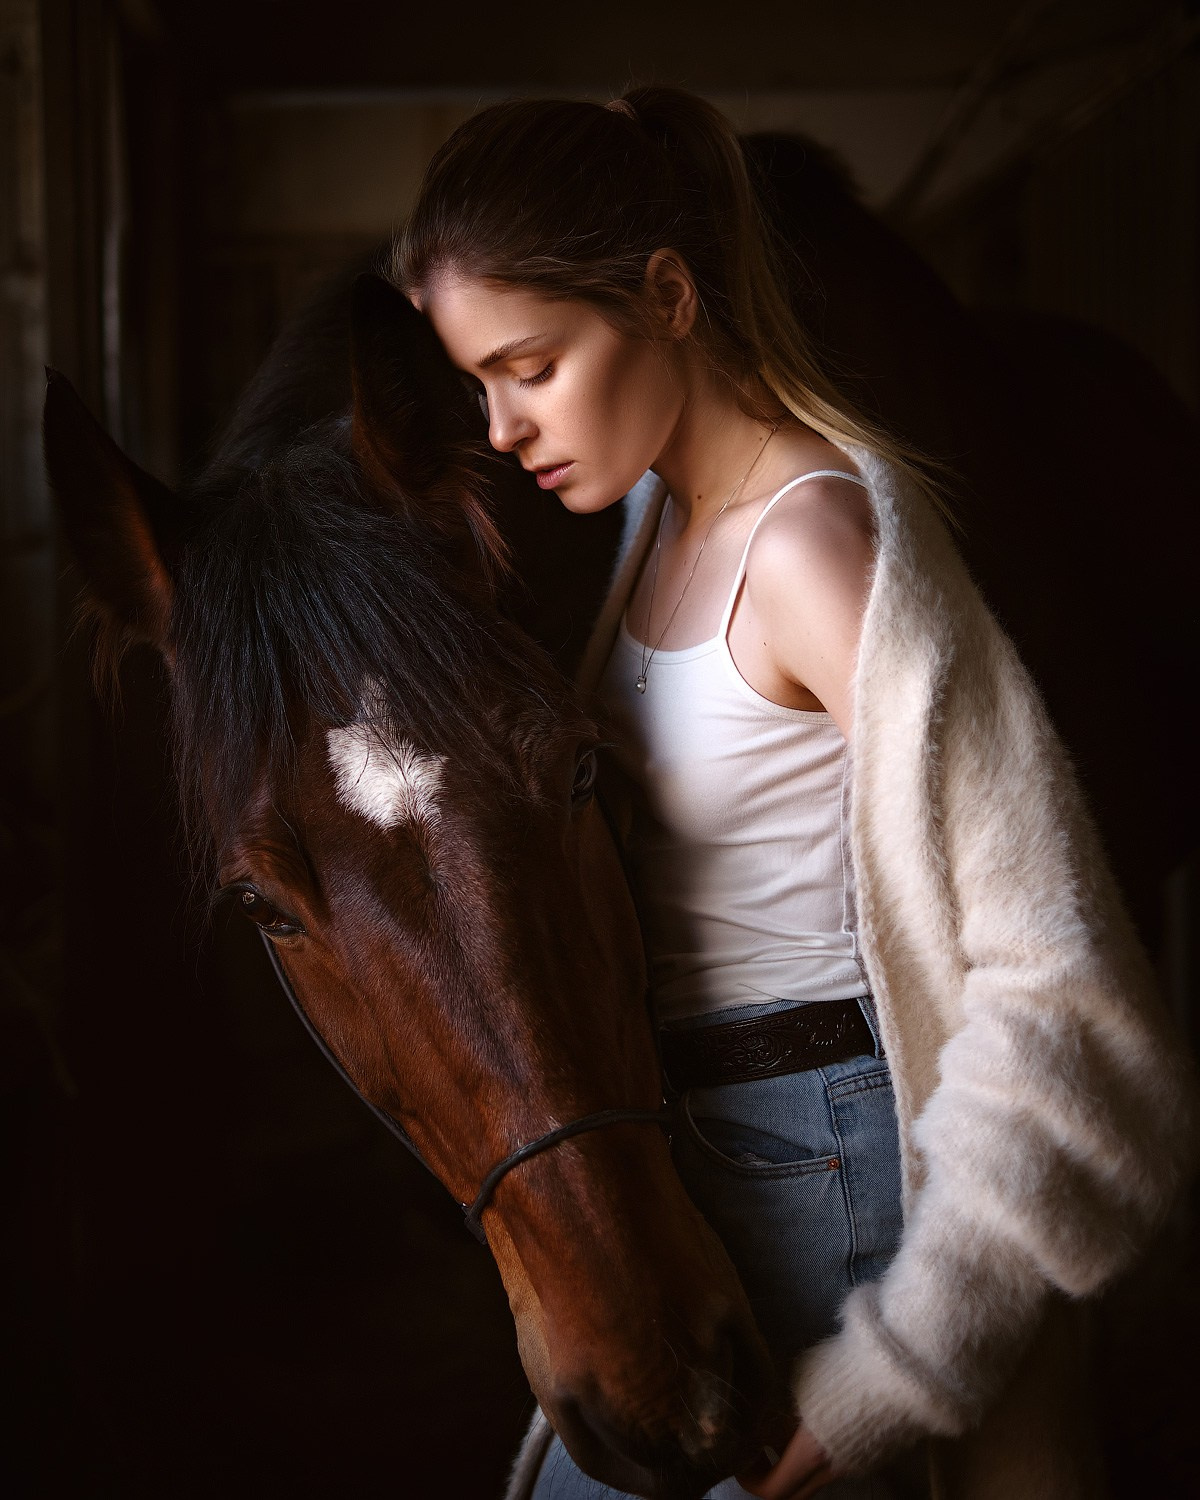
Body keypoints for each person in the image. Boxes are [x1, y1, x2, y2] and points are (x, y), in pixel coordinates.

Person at [392, 87, 1193, 1500]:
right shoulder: (653, 526)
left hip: (825, 1171)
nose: (503, 429)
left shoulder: (816, 546)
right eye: (479, 386)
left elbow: (1061, 983)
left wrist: (908, 1361)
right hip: (690, 1167)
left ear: (668, 296)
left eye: (532, 366)